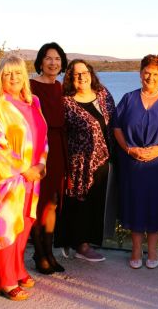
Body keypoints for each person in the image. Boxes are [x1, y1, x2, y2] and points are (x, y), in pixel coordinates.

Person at [0, 54, 48, 301]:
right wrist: (24, 170)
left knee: (24, 224)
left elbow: (43, 136)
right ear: (0, 77)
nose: (13, 78)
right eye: (8, 73)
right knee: (6, 226)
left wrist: (41, 163)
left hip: (33, 176)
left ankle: (18, 269)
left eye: (18, 73)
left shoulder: (34, 102)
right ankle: (5, 280)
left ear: (25, 76)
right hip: (7, 179)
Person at [113, 54, 158, 269]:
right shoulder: (128, 98)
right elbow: (116, 126)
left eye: (155, 74)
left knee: (156, 205)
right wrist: (128, 149)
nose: (150, 77)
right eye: (147, 73)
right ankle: (136, 248)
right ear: (140, 74)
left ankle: (153, 249)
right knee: (134, 204)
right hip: (132, 163)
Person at [54, 59, 116, 262]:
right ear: (70, 78)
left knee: (96, 202)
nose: (82, 76)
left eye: (85, 72)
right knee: (79, 204)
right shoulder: (65, 102)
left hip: (102, 160)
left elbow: (116, 121)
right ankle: (81, 245)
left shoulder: (104, 95)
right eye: (76, 74)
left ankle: (77, 241)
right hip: (77, 163)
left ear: (91, 73)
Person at [29, 43, 69, 274]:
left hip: (58, 147)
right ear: (40, 62)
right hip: (39, 148)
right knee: (38, 201)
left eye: (57, 59)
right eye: (48, 58)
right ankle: (39, 254)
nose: (53, 62)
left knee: (53, 201)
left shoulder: (60, 87)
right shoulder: (30, 86)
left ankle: (49, 252)